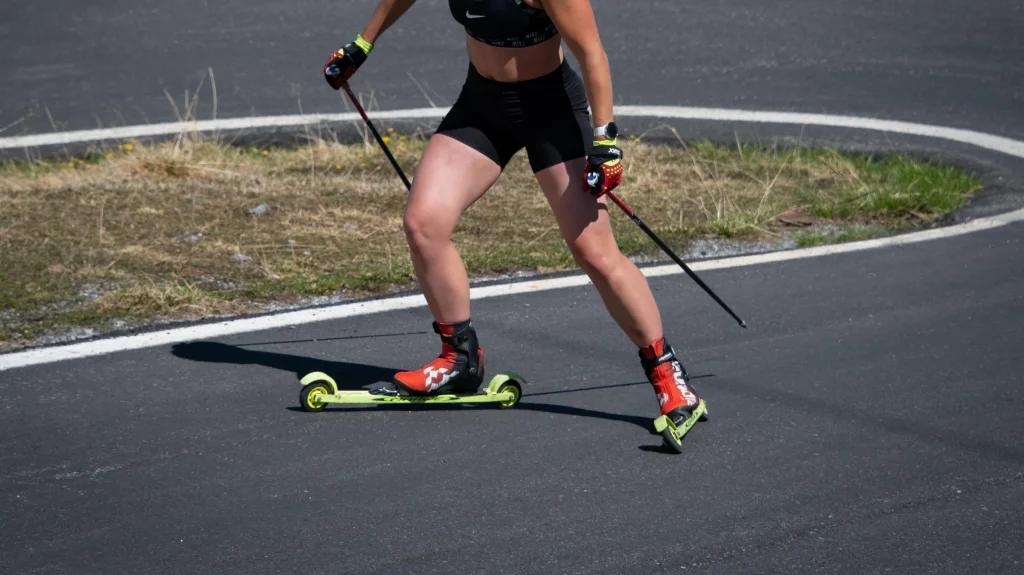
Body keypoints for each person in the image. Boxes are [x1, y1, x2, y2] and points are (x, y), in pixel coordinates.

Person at [323, 0, 703, 430]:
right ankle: (457, 360)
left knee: (594, 253)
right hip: (482, 108)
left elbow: (592, 52)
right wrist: (361, 44)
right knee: (424, 224)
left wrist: (605, 142)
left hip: (552, 112)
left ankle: (666, 372)